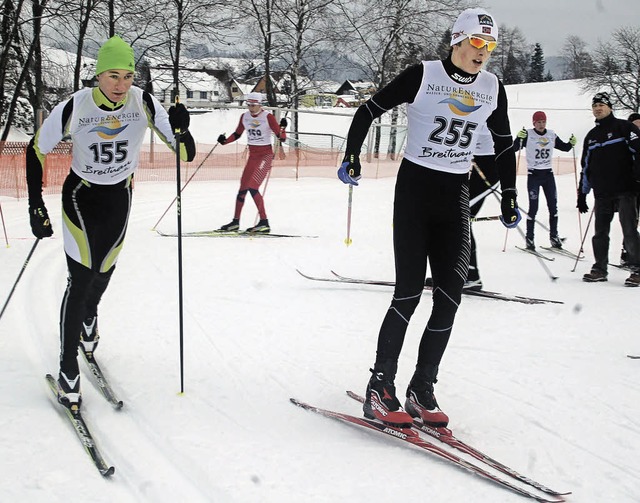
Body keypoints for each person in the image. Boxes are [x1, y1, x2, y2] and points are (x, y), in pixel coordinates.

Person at [337, 8, 519, 427]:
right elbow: (367, 110)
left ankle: (422, 387)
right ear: (456, 40)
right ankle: (380, 388)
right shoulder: (423, 74)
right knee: (408, 292)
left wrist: (509, 194)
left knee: (451, 295)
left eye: (489, 46)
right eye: (476, 43)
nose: (482, 53)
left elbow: (505, 145)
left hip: (454, 195)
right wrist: (352, 155)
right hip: (416, 192)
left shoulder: (492, 87)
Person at [26, 35, 196, 408]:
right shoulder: (77, 106)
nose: (121, 85)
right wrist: (35, 204)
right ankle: (68, 367)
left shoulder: (143, 102)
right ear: (99, 75)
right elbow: (35, 148)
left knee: (104, 271)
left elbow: (183, 151)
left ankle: (90, 314)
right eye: (113, 75)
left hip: (120, 195)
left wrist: (183, 128)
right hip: (81, 196)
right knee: (82, 276)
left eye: (128, 76)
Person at [577, 92, 640, 286]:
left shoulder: (624, 127)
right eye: (595, 106)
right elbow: (586, 166)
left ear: (610, 107)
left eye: (601, 105)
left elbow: (638, 152)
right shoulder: (592, 136)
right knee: (600, 232)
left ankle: (637, 269)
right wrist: (582, 193)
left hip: (625, 189)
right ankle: (599, 268)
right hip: (602, 191)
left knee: (629, 230)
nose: (598, 108)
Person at [216, 92, 287, 234]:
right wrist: (224, 141)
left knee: (253, 187)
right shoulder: (245, 117)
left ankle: (264, 222)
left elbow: (282, 138)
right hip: (253, 156)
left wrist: (282, 128)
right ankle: (235, 222)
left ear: (260, 104)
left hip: (265, 156)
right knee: (243, 187)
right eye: (249, 105)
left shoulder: (268, 117)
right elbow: (237, 134)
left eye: (254, 105)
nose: (251, 108)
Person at [513, 111, 576, 250]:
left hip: (548, 175)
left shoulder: (551, 134)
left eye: (543, 122)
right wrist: (518, 138)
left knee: (553, 207)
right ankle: (530, 239)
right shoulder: (528, 134)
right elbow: (514, 148)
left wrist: (571, 143)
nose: (541, 125)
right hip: (533, 175)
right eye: (538, 122)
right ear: (533, 123)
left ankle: (554, 237)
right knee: (533, 208)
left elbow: (564, 148)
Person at [620, 112, 640, 266]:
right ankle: (627, 253)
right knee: (631, 221)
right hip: (631, 186)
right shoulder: (626, 141)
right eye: (635, 125)